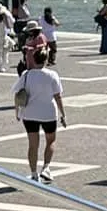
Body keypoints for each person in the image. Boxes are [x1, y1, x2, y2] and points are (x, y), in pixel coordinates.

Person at [12, 45, 67, 183]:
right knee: (51, 141)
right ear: (46, 60)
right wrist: (63, 114)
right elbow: (58, 96)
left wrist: (17, 111)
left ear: (34, 59)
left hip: (29, 113)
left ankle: (33, 173)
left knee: (33, 145)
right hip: (48, 113)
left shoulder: (26, 74)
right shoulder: (52, 75)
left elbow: (17, 94)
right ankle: (46, 167)